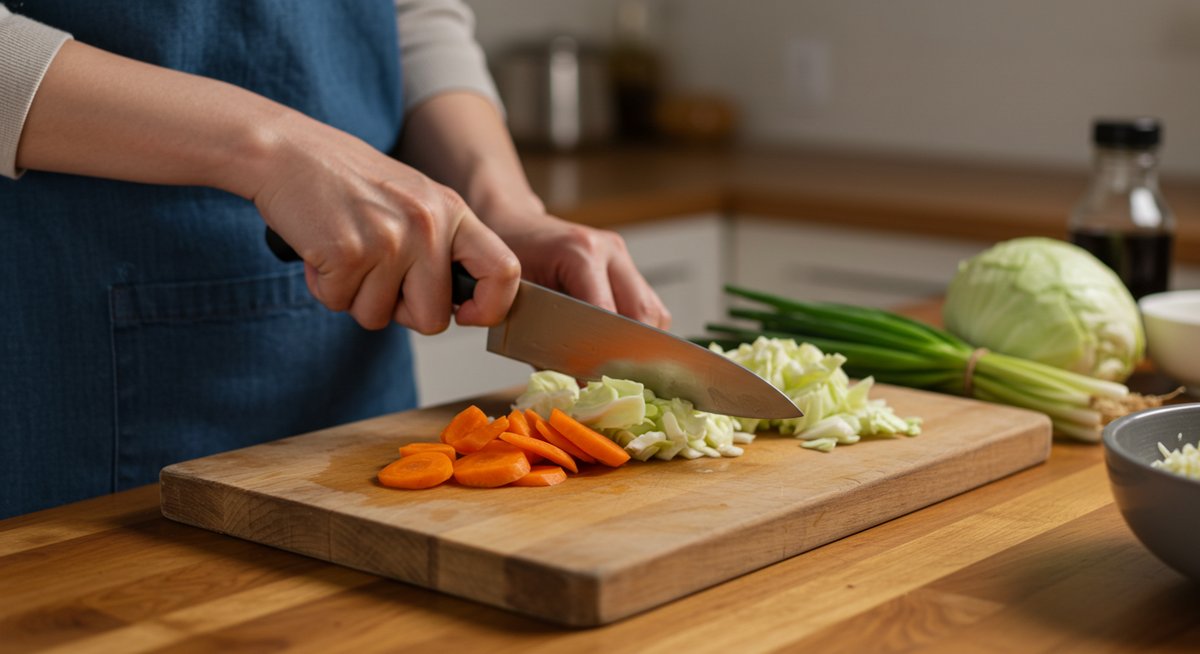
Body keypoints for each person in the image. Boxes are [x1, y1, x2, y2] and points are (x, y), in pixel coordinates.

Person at [0, 0, 670, 519]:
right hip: (73, 356)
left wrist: (503, 204)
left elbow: (410, 14)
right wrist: (269, 146)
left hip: (349, 374)